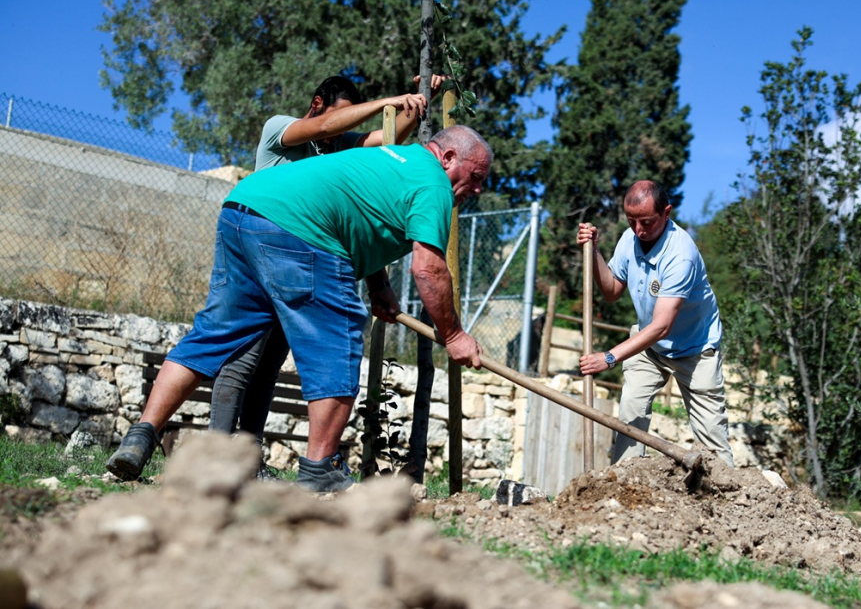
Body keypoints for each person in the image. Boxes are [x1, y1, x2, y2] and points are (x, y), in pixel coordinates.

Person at [107, 125, 491, 491]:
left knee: (215, 335)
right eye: (475, 176)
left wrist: (380, 287)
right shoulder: (433, 183)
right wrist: (454, 335)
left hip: (246, 207)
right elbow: (429, 268)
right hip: (299, 229)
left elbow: (361, 217)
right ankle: (319, 468)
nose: (476, 189)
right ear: (448, 157)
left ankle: (141, 435)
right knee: (337, 340)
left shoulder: (394, 159)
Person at [208, 75, 443, 474]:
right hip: (266, 251)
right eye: (342, 117)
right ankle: (216, 456)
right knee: (242, 359)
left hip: (302, 269)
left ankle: (245, 460)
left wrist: (420, 101)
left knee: (267, 368)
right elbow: (322, 127)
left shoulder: (339, 147)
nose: (345, 130)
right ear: (317, 104)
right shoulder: (281, 129)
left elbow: (384, 141)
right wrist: (386, 101)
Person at [577, 180, 734, 466]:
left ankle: (731, 496)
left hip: (695, 349)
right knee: (630, 416)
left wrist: (609, 357)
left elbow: (662, 325)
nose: (639, 230)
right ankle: (625, 481)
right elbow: (612, 291)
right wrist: (595, 250)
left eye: (647, 222)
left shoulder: (680, 255)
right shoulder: (630, 239)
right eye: (631, 220)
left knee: (712, 438)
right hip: (649, 346)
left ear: (666, 213)